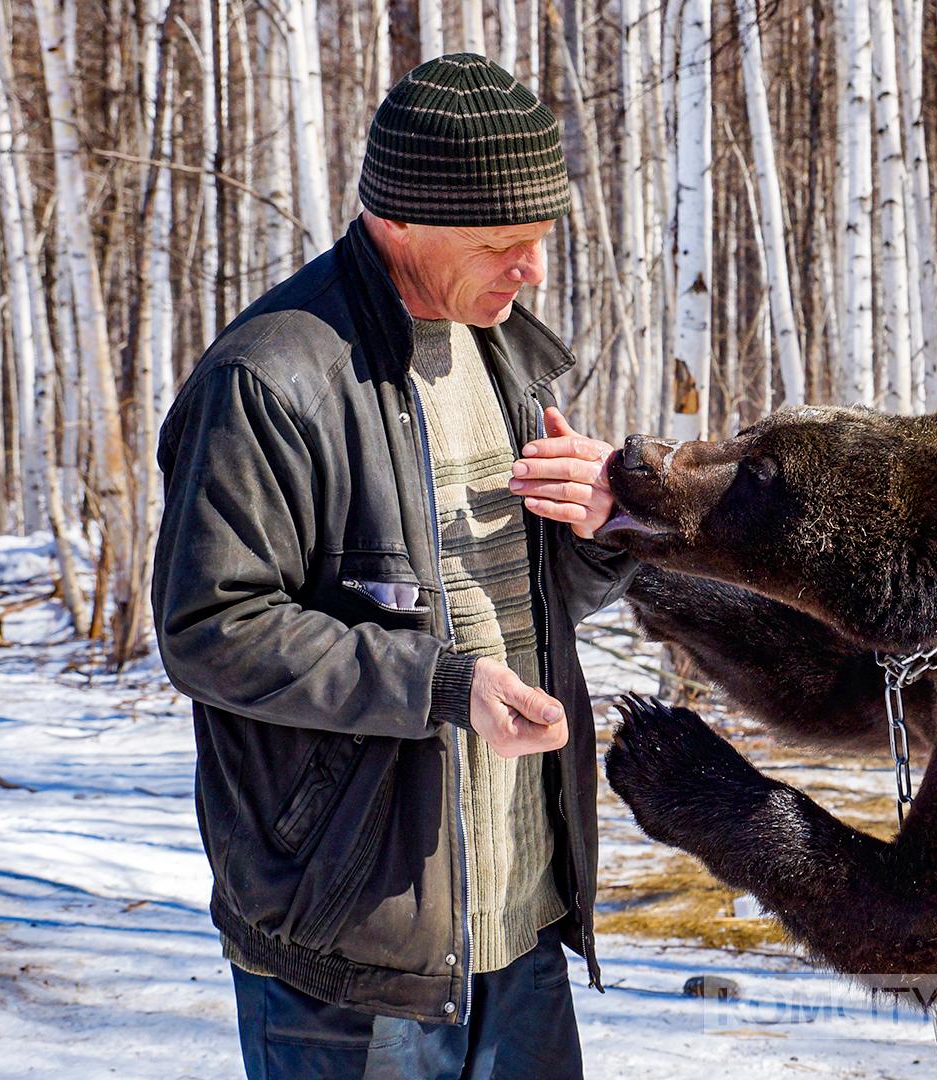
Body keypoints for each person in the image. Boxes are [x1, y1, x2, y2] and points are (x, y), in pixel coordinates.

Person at [152, 54, 635, 1079]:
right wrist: (444, 684)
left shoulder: (500, 349)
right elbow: (214, 630)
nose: (532, 269)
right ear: (401, 220)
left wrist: (601, 530)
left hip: (519, 917)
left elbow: (535, 603)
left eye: (541, 240)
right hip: (352, 950)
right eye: (503, 242)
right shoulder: (271, 377)